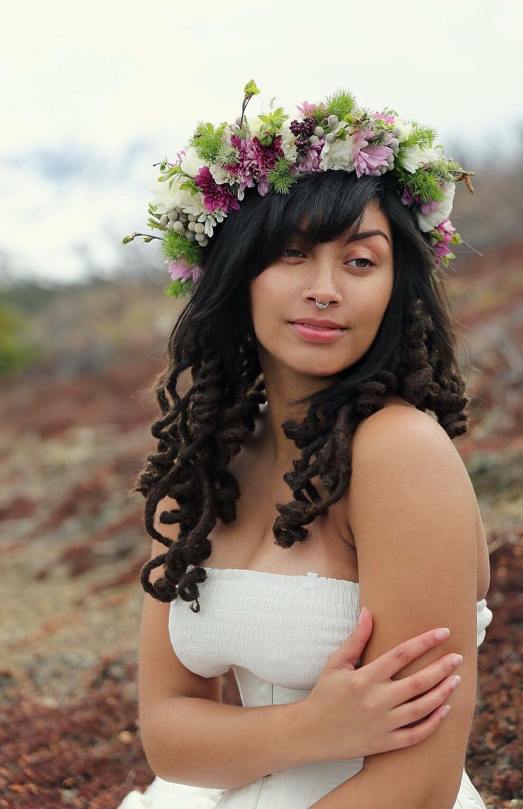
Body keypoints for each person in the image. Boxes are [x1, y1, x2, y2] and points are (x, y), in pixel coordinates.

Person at [118, 81, 493, 808]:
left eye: (359, 261)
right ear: (238, 275)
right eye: (293, 254)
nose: (326, 288)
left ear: (395, 286)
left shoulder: (399, 454)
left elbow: (419, 783)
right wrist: (313, 725)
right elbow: (167, 732)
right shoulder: (204, 460)